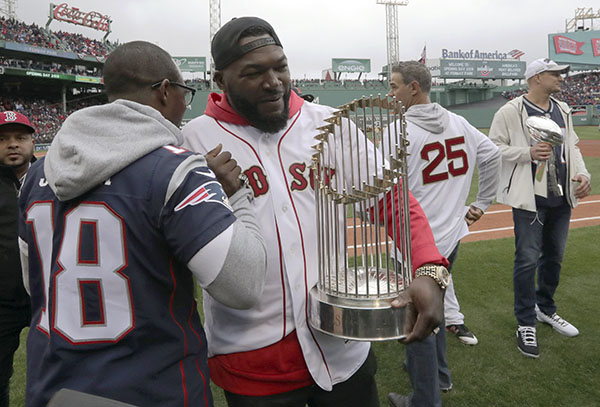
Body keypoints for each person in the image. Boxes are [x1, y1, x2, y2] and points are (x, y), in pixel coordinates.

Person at [182, 17, 449, 407]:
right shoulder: (193, 141)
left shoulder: (327, 124)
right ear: (220, 81)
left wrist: (428, 268)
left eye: (280, 66)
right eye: (253, 73)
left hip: (343, 344)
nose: (272, 81)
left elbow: (391, 200)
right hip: (253, 359)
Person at [18, 41, 267, 406]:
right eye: (185, 93)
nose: (185, 105)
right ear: (166, 91)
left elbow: (34, 284)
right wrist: (234, 197)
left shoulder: (36, 174)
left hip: (55, 387)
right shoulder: (176, 170)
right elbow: (243, 285)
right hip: (152, 387)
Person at [383, 61, 500, 406]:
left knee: (417, 318)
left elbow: (381, 191)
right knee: (436, 306)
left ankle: (424, 399)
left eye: (394, 86)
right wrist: (481, 201)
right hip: (450, 235)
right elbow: (491, 155)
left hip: (415, 242)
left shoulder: (397, 131)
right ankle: (440, 377)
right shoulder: (458, 121)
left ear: (413, 88)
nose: (391, 93)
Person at [489, 58, 591, 358]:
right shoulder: (511, 110)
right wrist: (526, 152)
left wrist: (583, 175)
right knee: (527, 260)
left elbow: (571, 146)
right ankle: (525, 322)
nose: (561, 78)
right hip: (529, 198)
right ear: (535, 78)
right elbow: (493, 148)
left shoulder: (563, 109)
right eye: (554, 74)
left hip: (561, 197)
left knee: (554, 258)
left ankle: (545, 308)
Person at [0, 111, 35, 407]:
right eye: (3, 139)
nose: (12, 144)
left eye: (20, 138)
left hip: (47, 298)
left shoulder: (54, 178)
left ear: (32, 142)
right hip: (2, 301)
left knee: (57, 372)